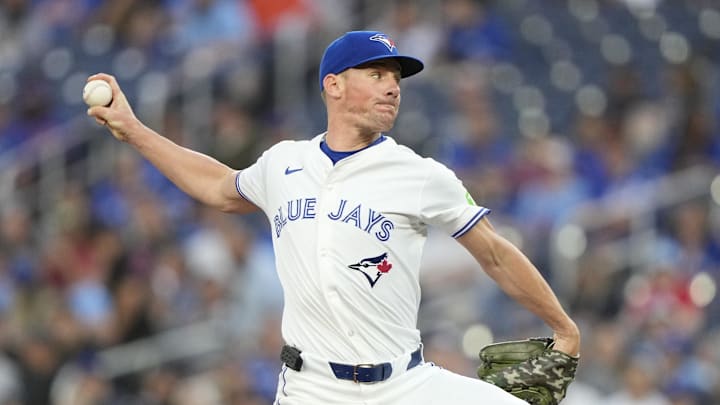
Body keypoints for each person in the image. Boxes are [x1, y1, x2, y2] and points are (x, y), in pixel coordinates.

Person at [87, 30, 580, 404]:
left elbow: (493, 253)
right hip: (311, 389)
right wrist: (133, 130)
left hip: (405, 385)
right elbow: (217, 186)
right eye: (377, 74)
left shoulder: (421, 174)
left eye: (395, 78)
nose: (393, 88)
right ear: (334, 85)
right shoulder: (283, 163)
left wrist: (563, 327)